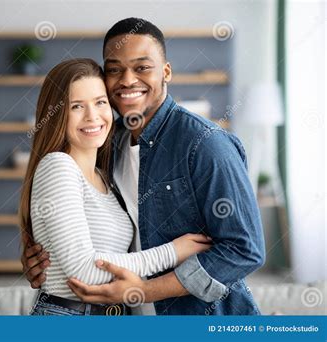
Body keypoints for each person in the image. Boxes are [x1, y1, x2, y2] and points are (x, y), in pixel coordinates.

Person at [23, 18, 266, 315]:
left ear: (166, 72)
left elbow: (244, 250)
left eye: (142, 67)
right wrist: (48, 260)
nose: (127, 80)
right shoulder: (109, 147)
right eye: (114, 69)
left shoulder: (205, 144)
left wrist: (144, 290)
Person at [19, 58, 212, 316]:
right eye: (77, 106)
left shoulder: (105, 176)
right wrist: (174, 252)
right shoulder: (59, 166)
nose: (93, 116)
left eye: (100, 102)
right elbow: (84, 269)